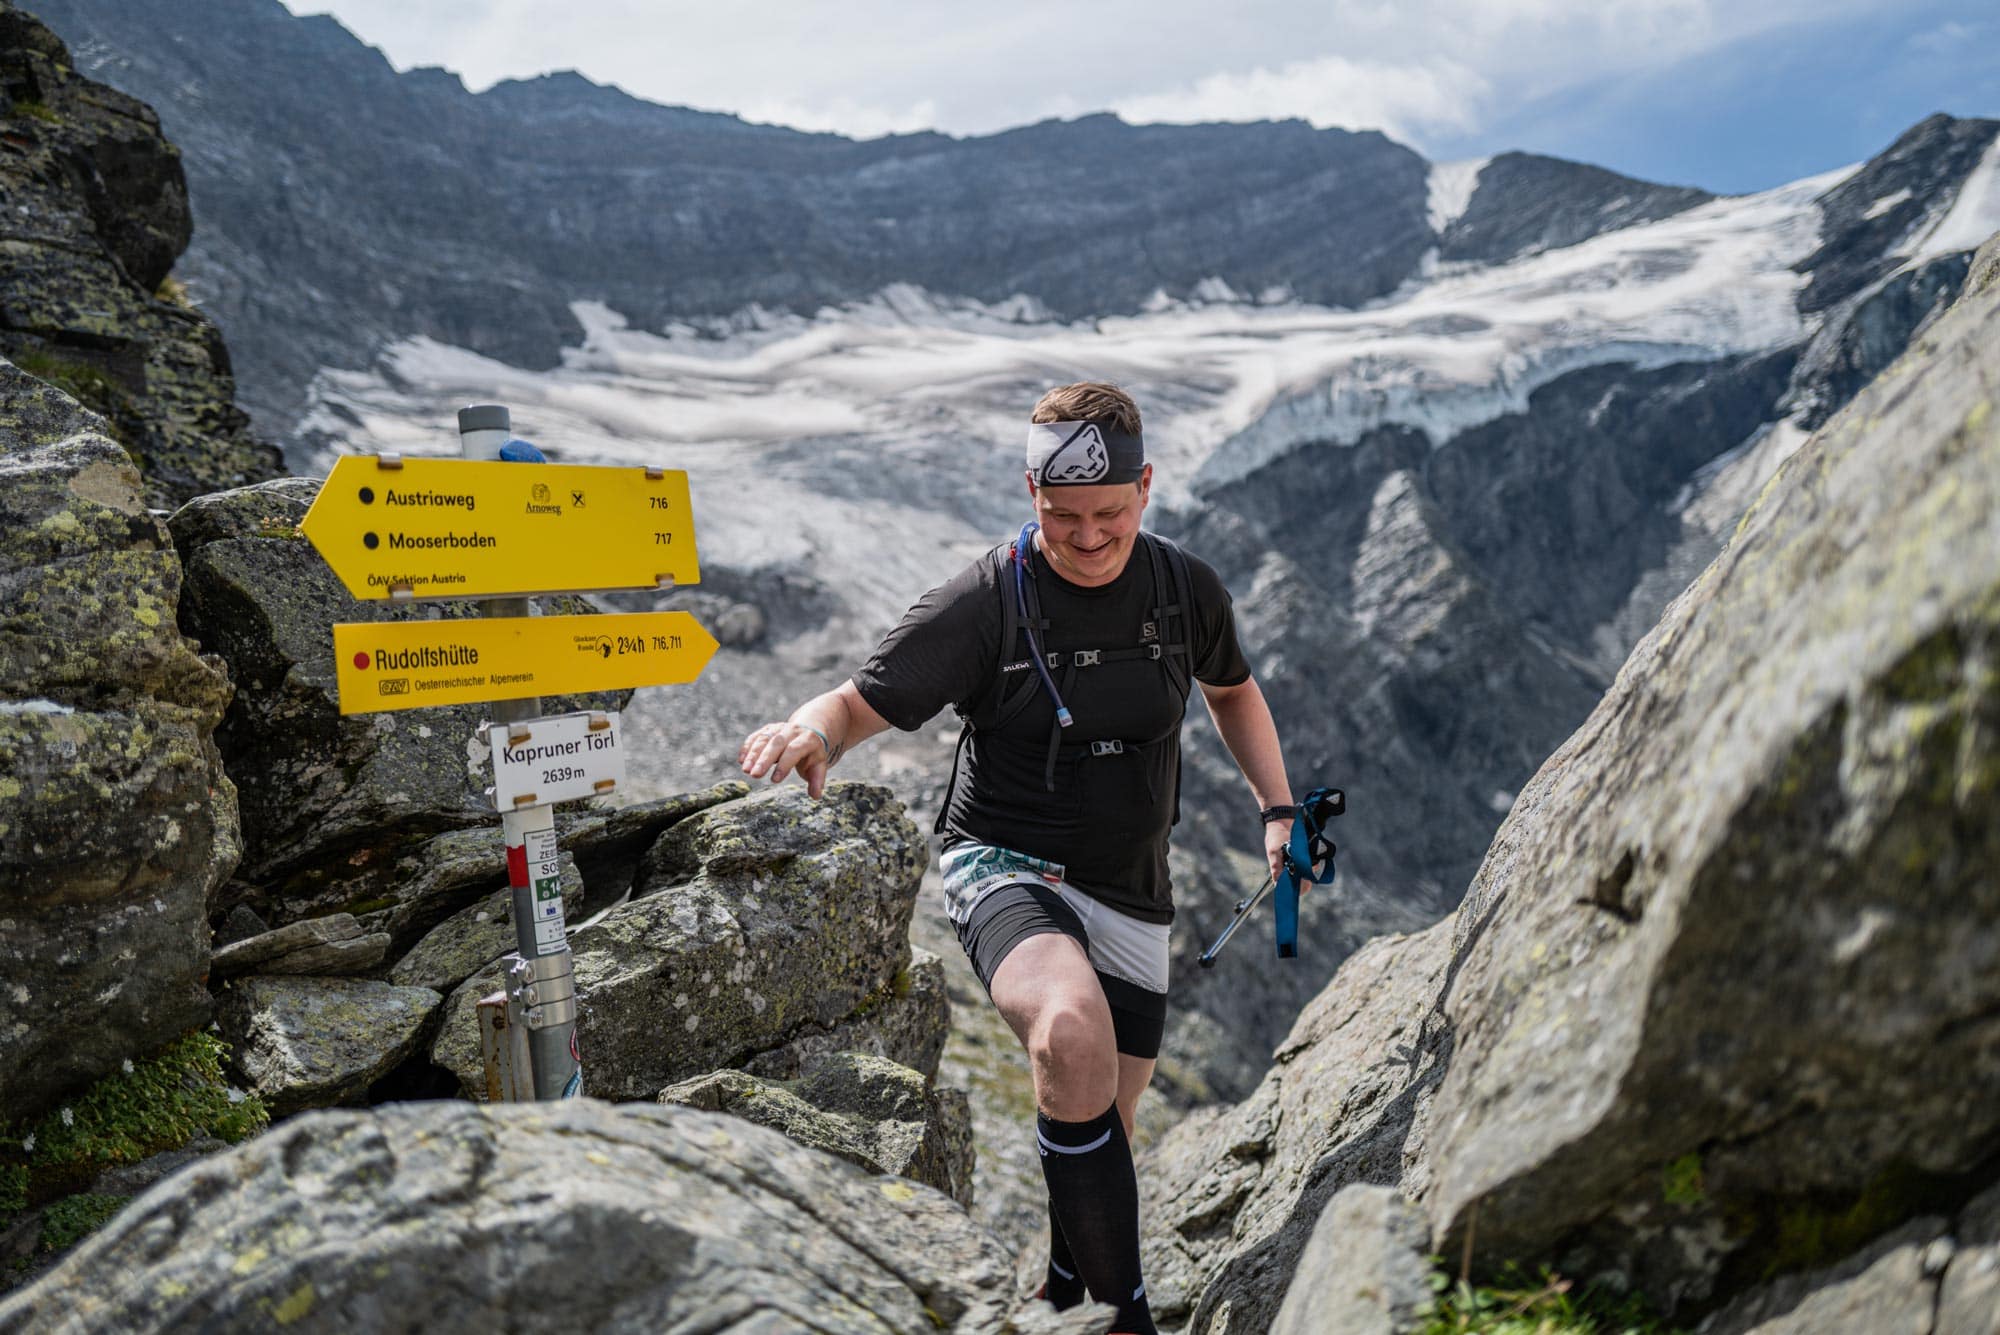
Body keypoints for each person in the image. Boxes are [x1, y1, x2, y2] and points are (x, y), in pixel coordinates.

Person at [739, 382, 1293, 1335]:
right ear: (1028, 492)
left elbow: (1232, 689)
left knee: (1103, 1131)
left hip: (1132, 886)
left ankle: (1064, 1301)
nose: (1087, 536)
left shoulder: (1182, 588)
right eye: (1062, 514)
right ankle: (1127, 1322)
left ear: (1147, 488)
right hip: (1003, 859)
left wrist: (1277, 807)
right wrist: (810, 735)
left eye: (1109, 513)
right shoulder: (983, 600)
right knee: (1069, 1035)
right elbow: (856, 701)